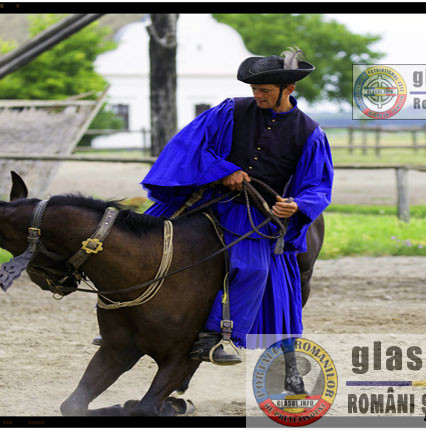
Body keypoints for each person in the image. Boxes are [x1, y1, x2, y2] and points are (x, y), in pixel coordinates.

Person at [139, 47, 334, 365]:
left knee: (253, 268)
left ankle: (217, 337)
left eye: (265, 91)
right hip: (205, 196)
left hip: (253, 212)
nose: (258, 95)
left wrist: (296, 205)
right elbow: (189, 146)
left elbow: (318, 185)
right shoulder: (229, 111)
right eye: (255, 89)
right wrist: (223, 170)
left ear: (289, 89)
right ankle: (125, 322)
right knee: (140, 238)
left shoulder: (310, 133)